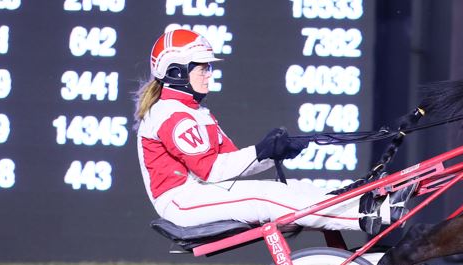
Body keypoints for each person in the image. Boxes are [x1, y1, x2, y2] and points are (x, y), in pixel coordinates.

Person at [134, 25, 412, 235]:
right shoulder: (170, 114)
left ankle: (362, 202)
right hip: (180, 202)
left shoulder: (197, 111)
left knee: (294, 187)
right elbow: (212, 171)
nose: (209, 74)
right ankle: (366, 216)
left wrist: (274, 153)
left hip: (202, 192)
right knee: (265, 197)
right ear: (176, 72)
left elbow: (233, 166)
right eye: (202, 68)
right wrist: (260, 150)